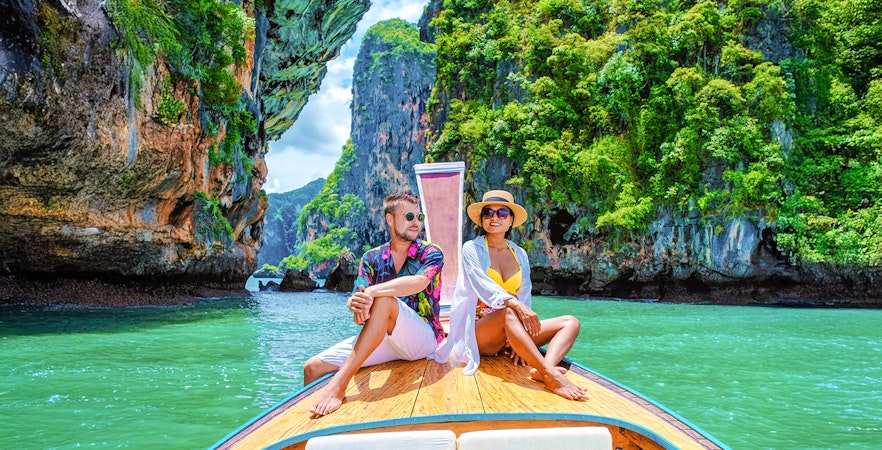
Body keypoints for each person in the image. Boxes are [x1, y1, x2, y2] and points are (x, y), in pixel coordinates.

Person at [302, 191, 445, 416]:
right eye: (409, 217)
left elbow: (419, 282)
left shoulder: (430, 252)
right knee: (312, 368)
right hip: (384, 337)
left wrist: (371, 293)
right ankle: (304, 426)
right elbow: (357, 296)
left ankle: (339, 384)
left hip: (423, 339)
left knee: (385, 302)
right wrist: (357, 305)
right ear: (390, 219)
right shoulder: (371, 258)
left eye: (420, 217)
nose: (416, 222)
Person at [434, 190, 586, 400]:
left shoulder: (519, 253)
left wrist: (521, 336)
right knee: (507, 313)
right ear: (482, 219)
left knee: (570, 322)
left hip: (511, 328)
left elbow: (524, 295)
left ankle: (542, 369)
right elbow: (483, 284)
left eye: (502, 213)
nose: (494, 218)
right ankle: (551, 375)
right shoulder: (472, 249)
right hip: (480, 332)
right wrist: (516, 306)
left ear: (511, 220)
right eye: (488, 213)